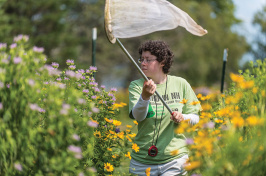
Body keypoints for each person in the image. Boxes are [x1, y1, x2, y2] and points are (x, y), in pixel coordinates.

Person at [128, 40, 201, 176]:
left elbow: (196, 118)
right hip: (142, 162)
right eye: (141, 59)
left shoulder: (181, 84)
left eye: (148, 60)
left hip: (174, 159)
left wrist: (183, 117)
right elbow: (139, 117)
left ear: (162, 62)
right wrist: (144, 96)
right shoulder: (137, 86)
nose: (143, 63)